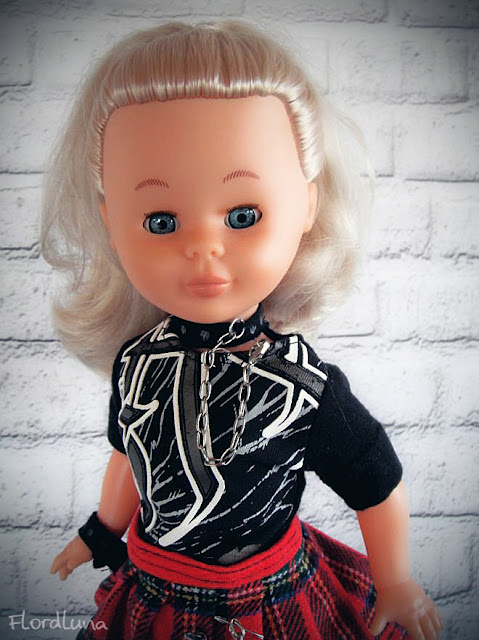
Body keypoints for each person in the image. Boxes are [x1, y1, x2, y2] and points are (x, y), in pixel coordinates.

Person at [43, 20, 443, 640]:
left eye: (243, 214)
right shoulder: (138, 363)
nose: (204, 246)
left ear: (306, 205)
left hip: (267, 602)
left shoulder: (303, 387)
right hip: (154, 591)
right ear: (111, 223)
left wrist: (395, 580)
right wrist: (99, 533)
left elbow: (376, 482)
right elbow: (130, 451)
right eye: (160, 220)